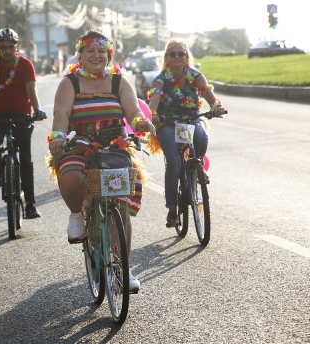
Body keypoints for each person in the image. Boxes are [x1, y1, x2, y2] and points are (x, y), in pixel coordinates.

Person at [47, 29, 156, 293]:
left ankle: (125, 268)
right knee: (71, 176)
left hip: (114, 147)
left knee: (119, 208)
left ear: (108, 56)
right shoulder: (70, 83)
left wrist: (142, 123)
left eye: (101, 51)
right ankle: (76, 214)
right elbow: (61, 114)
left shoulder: (119, 81)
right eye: (90, 50)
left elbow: (132, 111)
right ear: (80, 55)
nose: (96, 55)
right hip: (79, 145)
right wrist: (58, 137)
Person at [146, 38, 225, 226]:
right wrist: (154, 115)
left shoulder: (196, 75)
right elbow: (154, 100)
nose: (177, 57)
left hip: (190, 121)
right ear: (166, 57)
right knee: (173, 162)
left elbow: (208, 94)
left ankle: (195, 168)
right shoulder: (160, 79)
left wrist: (217, 106)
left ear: (186, 56)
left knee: (201, 138)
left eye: (181, 53)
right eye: (172, 53)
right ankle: (173, 210)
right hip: (167, 124)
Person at [0, 28, 46, 219]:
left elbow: (32, 90)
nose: (7, 51)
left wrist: (36, 110)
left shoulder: (26, 65)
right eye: (3, 47)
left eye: (11, 47)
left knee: (26, 160)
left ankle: (30, 204)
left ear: (16, 47)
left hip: (21, 113)